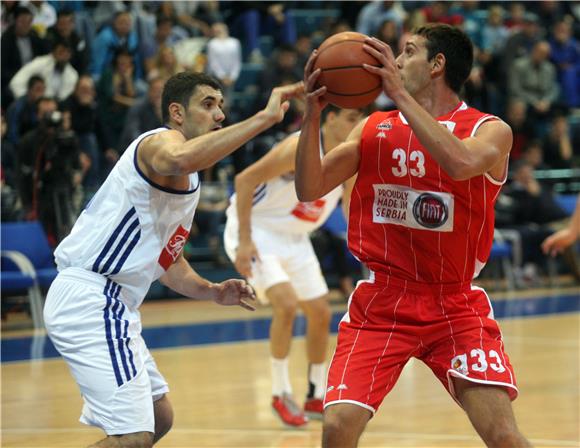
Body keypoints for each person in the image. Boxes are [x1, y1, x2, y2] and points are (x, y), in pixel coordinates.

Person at [296, 24, 531, 447]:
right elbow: (309, 187)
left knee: (502, 435)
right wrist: (312, 115)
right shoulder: (373, 128)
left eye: (408, 52)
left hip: (455, 304)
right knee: (336, 426)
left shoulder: (489, 130)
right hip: (384, 301)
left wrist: (400, 95)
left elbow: (461, 164)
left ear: (438, 64)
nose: (396, 61)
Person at [43, 72, 302, 447]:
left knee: (159, 417)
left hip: (116, 304)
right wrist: (264, 118)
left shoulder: (189, 181)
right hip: (92, 297)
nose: (218, 115)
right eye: (208, 104)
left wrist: (212, 291)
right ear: (177, 113)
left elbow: (169, 263)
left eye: (221, 106)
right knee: (134, 437)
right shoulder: (159, 143)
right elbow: (177, 158)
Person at [224, 105, 364, 427]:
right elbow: (244, 181)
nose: (357, 125)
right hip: (257, 228)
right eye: (351, 117)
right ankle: (279, 392)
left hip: (296, 237)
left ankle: (315, 393)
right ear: (330, 119)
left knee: (321, 312)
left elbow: (352, 209)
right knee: (286, 305)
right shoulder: (299, 149)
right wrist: (245, 241)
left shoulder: (349, 159)